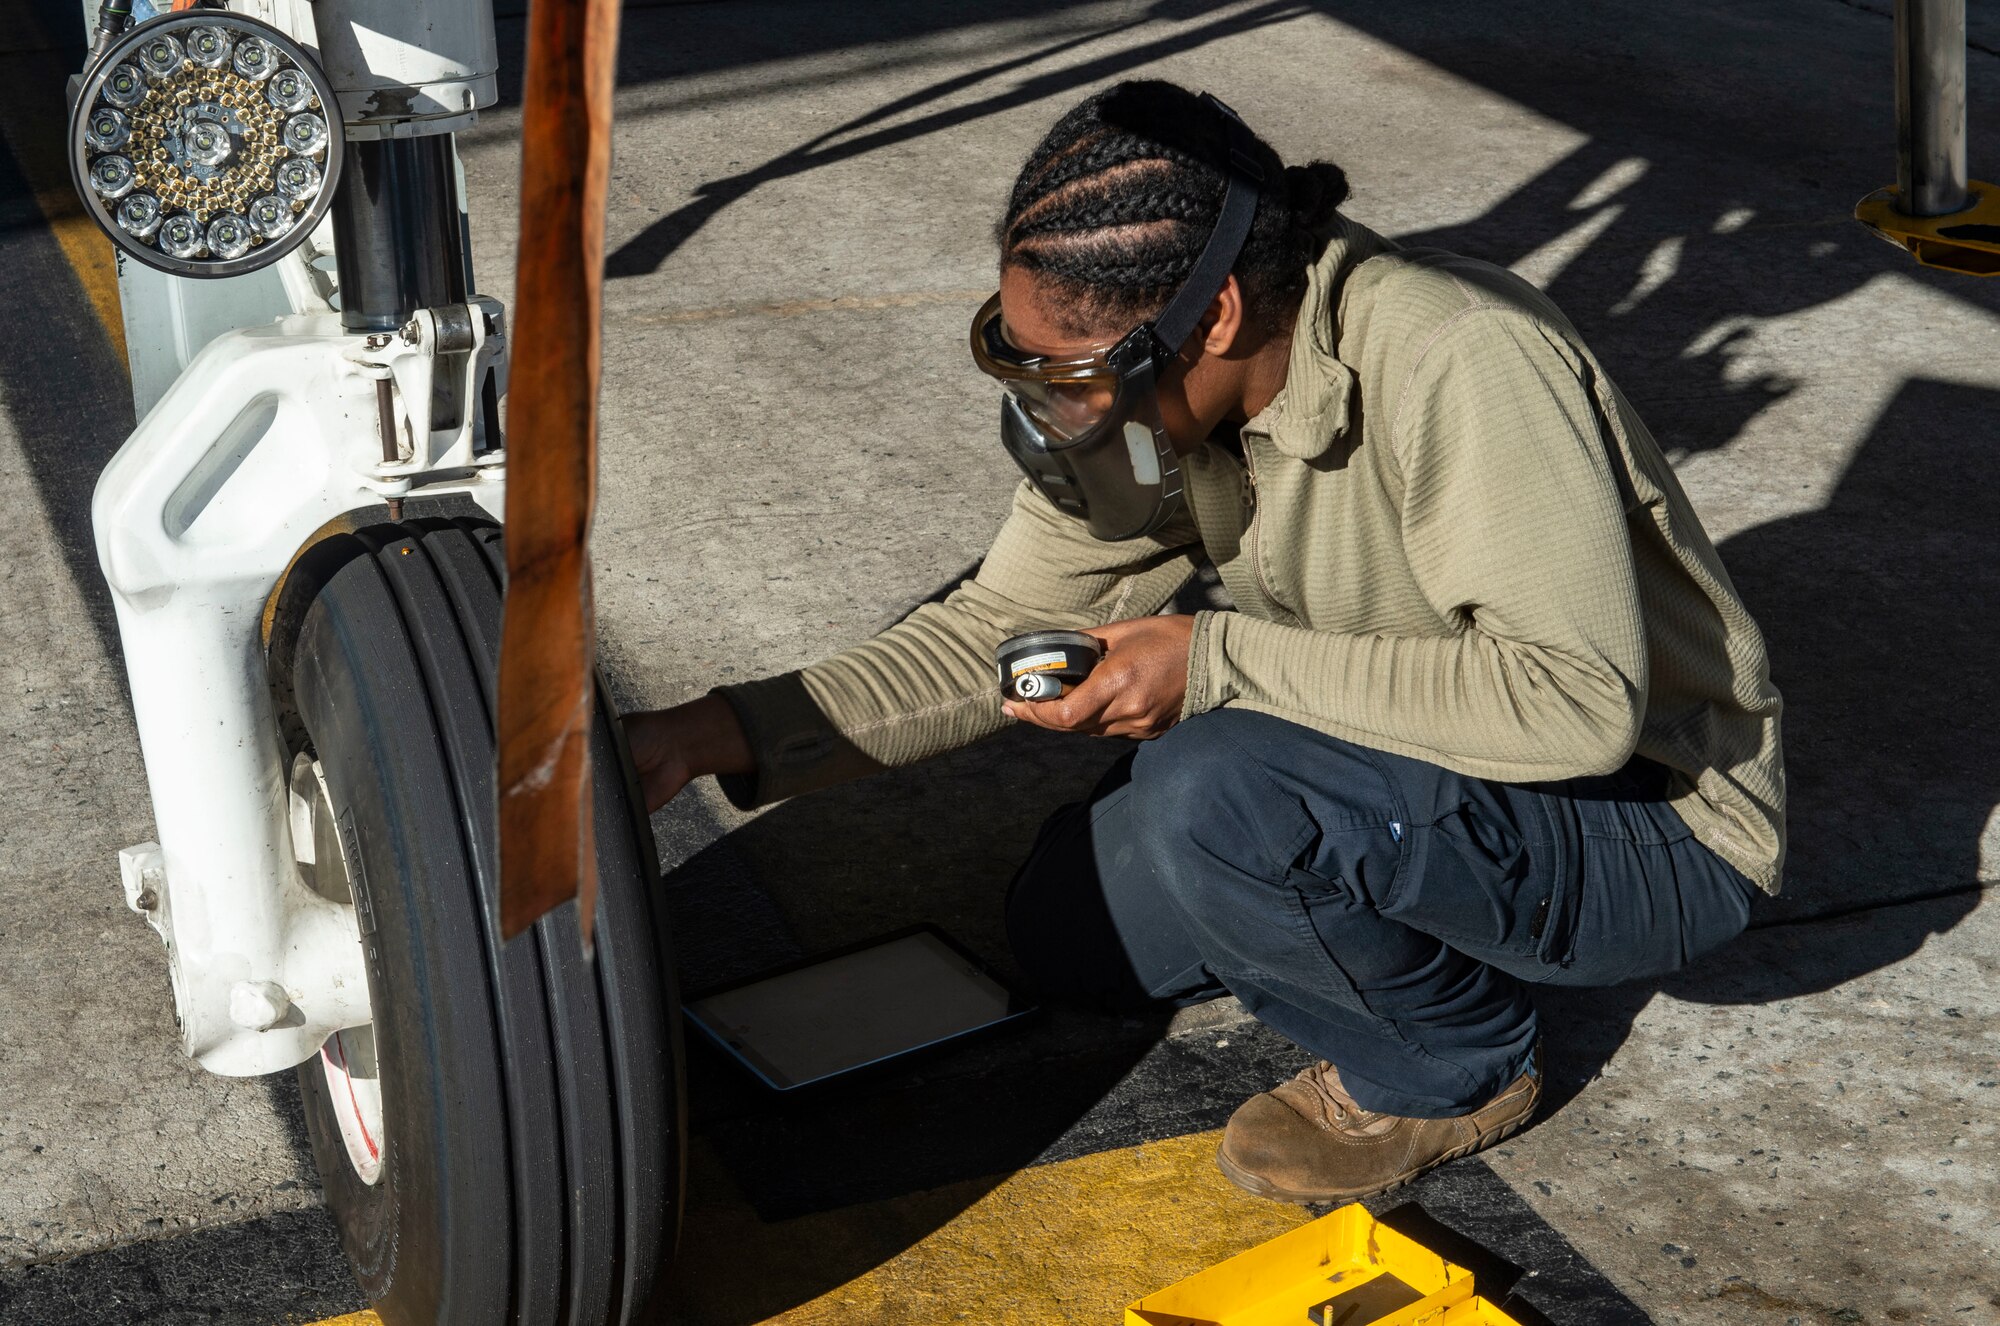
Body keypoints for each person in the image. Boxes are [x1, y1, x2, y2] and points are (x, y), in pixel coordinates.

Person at [621, 80, 1785, 1204]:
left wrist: (1215, 663)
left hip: (1647, 824)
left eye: (1073, 379)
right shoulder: (1174, 397)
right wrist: (715, 733)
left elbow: (1570, 701)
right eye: (1029, 370)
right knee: (1071, 941)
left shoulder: (1459, 356)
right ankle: (1354, 878)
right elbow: (994, 626)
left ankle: (1446, 1066)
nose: (1059, 415)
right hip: (1409, 746)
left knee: (1214, 792)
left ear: (1214, 313)